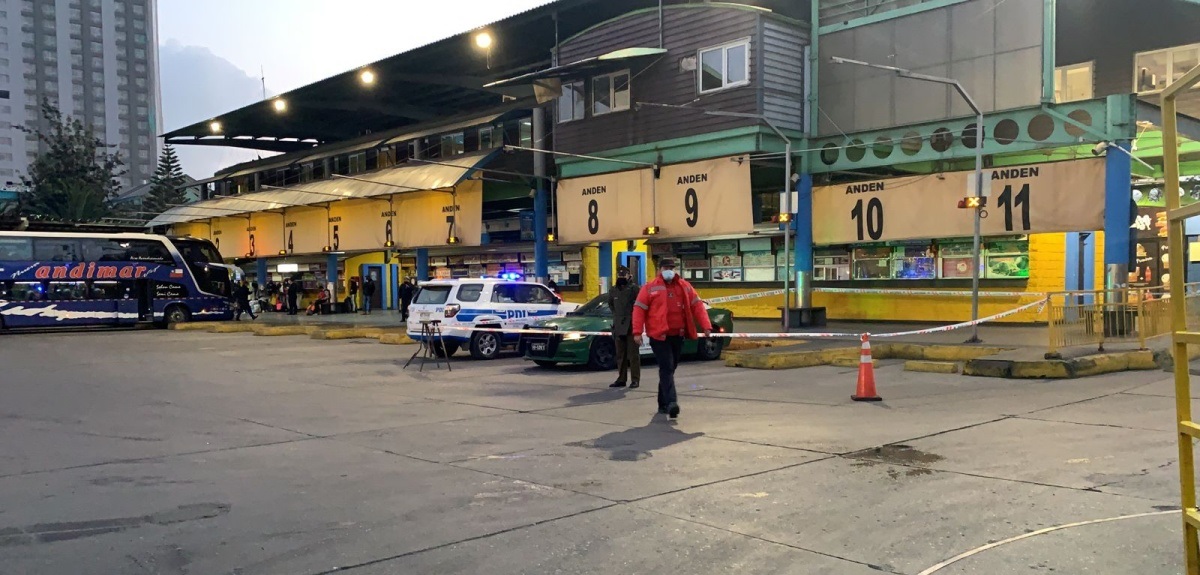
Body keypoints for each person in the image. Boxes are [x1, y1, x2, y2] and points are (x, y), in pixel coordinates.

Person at [632, 258, 711, 420]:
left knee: (670, 368)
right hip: (659, 336)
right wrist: (637, 332)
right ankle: (672, 402)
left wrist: (706, 325)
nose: (669, 270)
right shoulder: (650, 288)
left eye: (671, 267)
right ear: (659, 269)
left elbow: (697, 305)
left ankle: (662, 403)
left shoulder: (684, 286)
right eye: (666, 267)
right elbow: (639, 309)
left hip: (678, 335)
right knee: (667, 367)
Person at [608, 266, 640, 389]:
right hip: (618, 324)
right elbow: (611, 304)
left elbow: (639, 305)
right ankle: (621, 379)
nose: (621, 277)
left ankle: (635, 380)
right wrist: (617, 317)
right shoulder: (613, 290)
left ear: (629, 276)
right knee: (620, 354)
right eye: (619, 275)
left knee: (633, 355)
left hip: (631, 324)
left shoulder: (634, 289)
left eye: (624, 275)